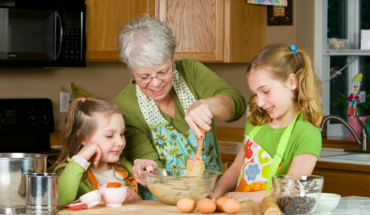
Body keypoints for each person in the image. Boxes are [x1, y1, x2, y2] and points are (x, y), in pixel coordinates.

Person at [114, 15, 246, 199]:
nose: (155, 83)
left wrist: (207, 104)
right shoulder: (126, 106)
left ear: (172, 59)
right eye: (144, 76)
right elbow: (152, 164)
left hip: (211, 197)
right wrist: (149, 168)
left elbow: (236, 104)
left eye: (163, 71)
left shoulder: (191, 72)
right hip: (159, 203)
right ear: (131, 71)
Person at [211, 43, 323, 203]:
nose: (260, 102)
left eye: (265, 91)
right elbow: (236, 169)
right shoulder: (256, 122)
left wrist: (237, 197)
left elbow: (289, 193)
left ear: (292, 82)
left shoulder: (307, 134)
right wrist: (214, 196)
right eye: (255, 94)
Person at [50, 97, 157, 206]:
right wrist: (81, 158)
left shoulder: (125, 168)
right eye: (109, 136)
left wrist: (136, 200)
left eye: (122, 133)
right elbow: (60, 201)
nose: (120, 142)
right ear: (83, 138)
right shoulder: (66, 171)